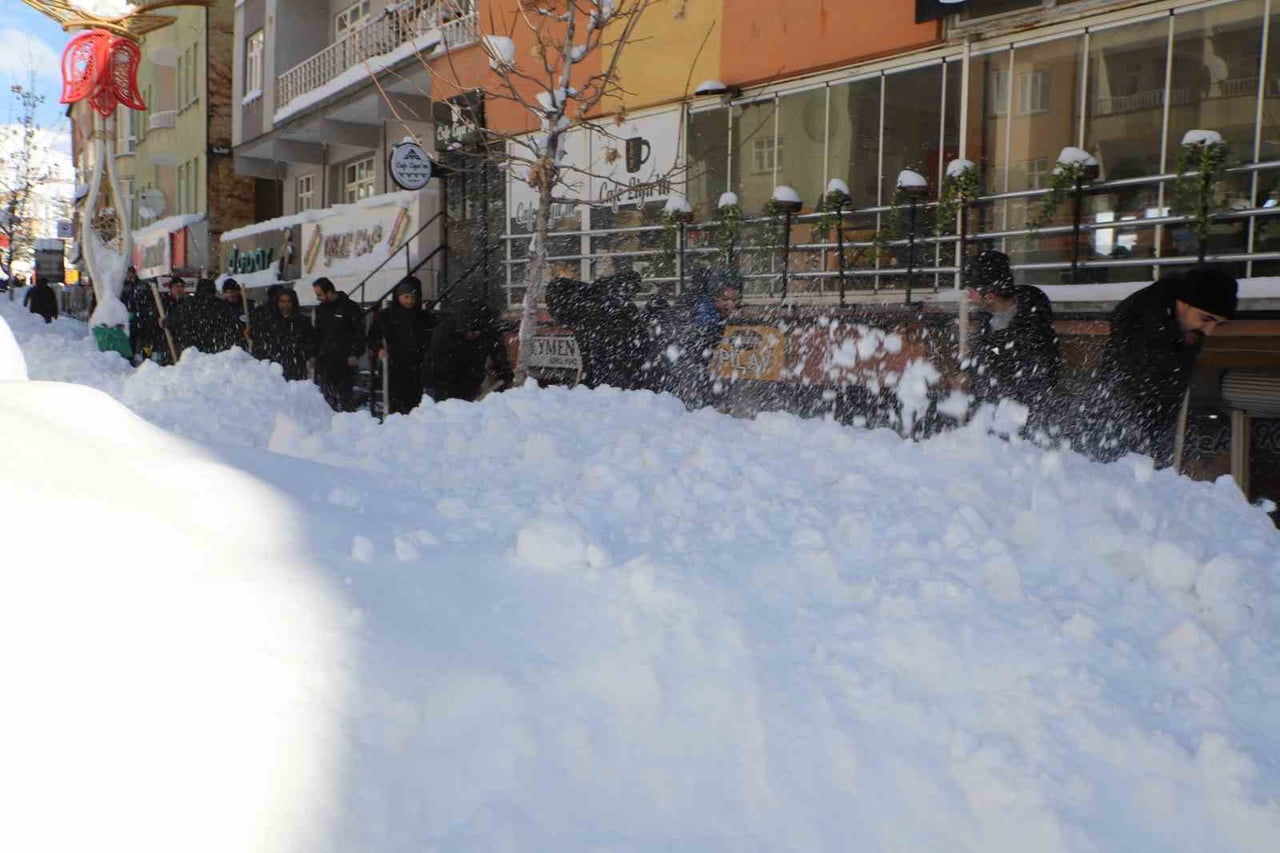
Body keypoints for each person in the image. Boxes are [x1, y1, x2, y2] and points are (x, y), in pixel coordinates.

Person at [1083, 267, 1237, 465]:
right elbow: (1130, 396)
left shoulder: (1179, 328)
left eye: (1218, 323)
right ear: (1182, 303)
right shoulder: (1144, 329)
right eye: (1206, 319)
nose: (1209, 331)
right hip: (1115, 433)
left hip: (1148, 430)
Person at [962, 251, 1060, 421]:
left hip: (1026, 413)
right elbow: (986, 360)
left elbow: (1014, 358)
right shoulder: (986, 318)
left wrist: (984, 344)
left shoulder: (1032, 319)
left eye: (971, 291)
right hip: (991, 413)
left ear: (990, 297)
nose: (968, 296)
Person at [368, 276, 435, 415]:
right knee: (395, 403)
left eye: (413, 297)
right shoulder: (386, 316)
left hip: (416, 366)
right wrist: (379, 349)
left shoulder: (423, 317)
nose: (410, 301)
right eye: (406, 297)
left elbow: (431, 338)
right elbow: (373, 337)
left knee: (414, 403)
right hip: (394, 365)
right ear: (398, 297)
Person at [430, 297, 512, 402]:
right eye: (468, 332)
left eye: (475, 333)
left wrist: (505, 373)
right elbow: (438, 364)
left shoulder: (488, 330)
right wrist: (444, 394)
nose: (471, 335)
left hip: (473, 375)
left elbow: (498, 353)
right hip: (447, 376)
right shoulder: (445, 332)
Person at [312, 276, 364, 412]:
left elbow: (359, 333)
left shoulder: (350, 307)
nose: (318, 298)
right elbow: (318, 335)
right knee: (327, 399)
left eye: (320, 295)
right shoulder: (320, 310)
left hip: (345, 360)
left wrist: (355, 353)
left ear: (329, 292)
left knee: (345, 398)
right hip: (326, 360)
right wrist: (315, 355)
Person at [165, 278, 241, 356]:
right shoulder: (221, 305)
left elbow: (176, 320)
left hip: (193, 350)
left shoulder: (189, 304)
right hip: (217, 349)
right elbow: (232, 326)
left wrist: (165, 322)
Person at [260, 288, 315, 381]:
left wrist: (310, 355)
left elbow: (311, 341)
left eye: (289, 301)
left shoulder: (303, 321)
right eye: (282, 301)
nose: (285, 305)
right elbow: (263, 342)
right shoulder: (270, 322)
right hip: (275, 368)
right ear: (277, 302)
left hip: (297, 366)